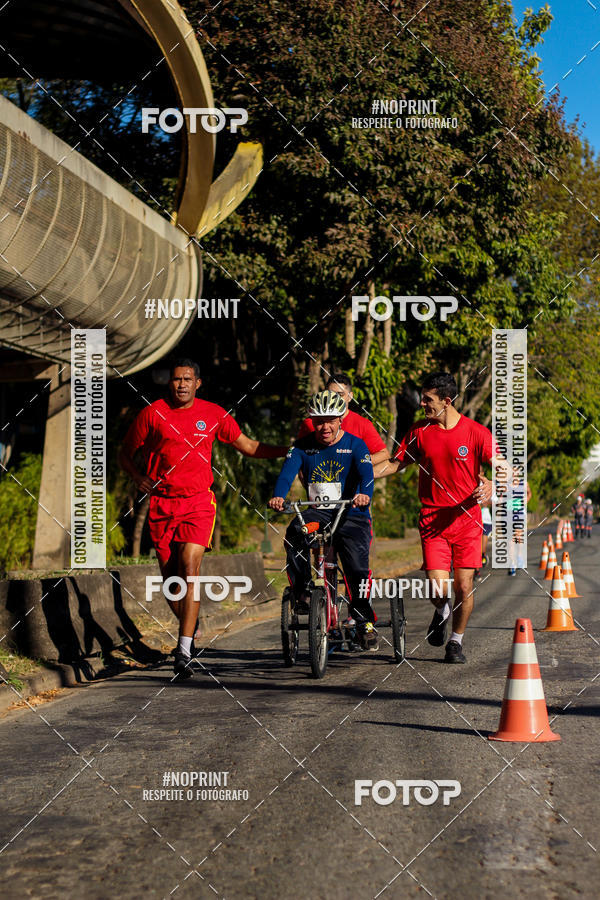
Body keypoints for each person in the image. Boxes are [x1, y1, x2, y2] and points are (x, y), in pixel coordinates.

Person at [119, 358, 288, 679]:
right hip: (162, 505)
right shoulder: (152, 413)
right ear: (169, 383)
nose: (181, 384)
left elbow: (249, 447)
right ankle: (189, 628)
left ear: (198, 383)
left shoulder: (214, 414)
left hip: (198, 503)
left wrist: (288, 450)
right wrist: (137, 475)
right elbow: (125, 452)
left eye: (187, 379)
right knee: (171, 584)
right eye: (176, 379)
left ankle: (183, 650)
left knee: (190, 566)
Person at [374, 371, 508, 664]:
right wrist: (360, 477)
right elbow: (396, 464)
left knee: (464, 585)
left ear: (447, 401)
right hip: (433, 521)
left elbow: (505, 469)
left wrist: (491, 485)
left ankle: (456, 642)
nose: (422, 404)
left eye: (428, 399)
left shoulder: (477, 433)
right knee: (438, 588)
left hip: (467, 522)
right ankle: (442, 609)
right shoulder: (419, 431)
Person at [268, 389, 377, 650]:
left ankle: (364, 620)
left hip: (351, 513)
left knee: (356, 567)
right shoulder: (302, 448)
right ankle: (304, 592)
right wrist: (278, 496)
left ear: (341, 418)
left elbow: (367, 474)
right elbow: (286, 475)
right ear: (311, 421)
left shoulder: (355, 444)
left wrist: (365, 494)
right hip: (317, 513)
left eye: (330, 419)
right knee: (295, 534)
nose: (324, 426)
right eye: (318, 420)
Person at [297, 373, 389, 466]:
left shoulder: (363, 424)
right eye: (331, 394)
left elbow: (383, 454)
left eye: (340, 395)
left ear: (350, 396)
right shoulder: (310, 422)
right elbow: (298, 455)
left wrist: (356, 462)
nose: (335, 399)